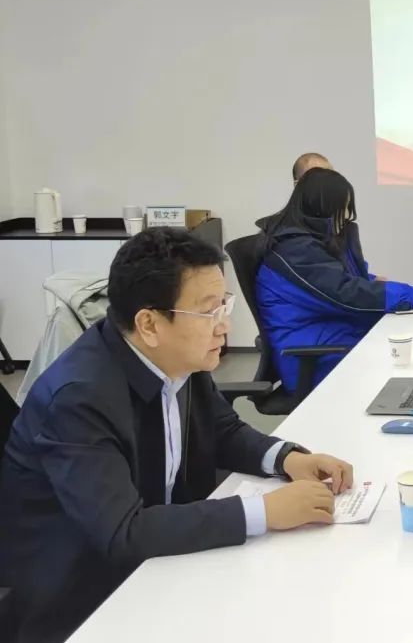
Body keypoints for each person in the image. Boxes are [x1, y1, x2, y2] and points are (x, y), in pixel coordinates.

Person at [0, 229, 353, 643]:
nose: (224, 326)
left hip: (158, 561)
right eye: (208, 312)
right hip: (81, 596)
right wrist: (264, 512)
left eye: (224, 305)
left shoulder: (176, 356)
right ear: (149, 324)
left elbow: (221, 429)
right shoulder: (78, 398)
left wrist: (287, 458)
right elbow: (123, 532)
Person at [257, 168, 413, 393]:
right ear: (323, 208)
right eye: (343, 207)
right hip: (313, 358)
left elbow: (337, 279)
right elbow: (346, 293)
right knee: (410, 360)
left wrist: (373, 281)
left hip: (332, 334)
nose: (348, 215)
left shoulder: (309, 240)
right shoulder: (296, 249)